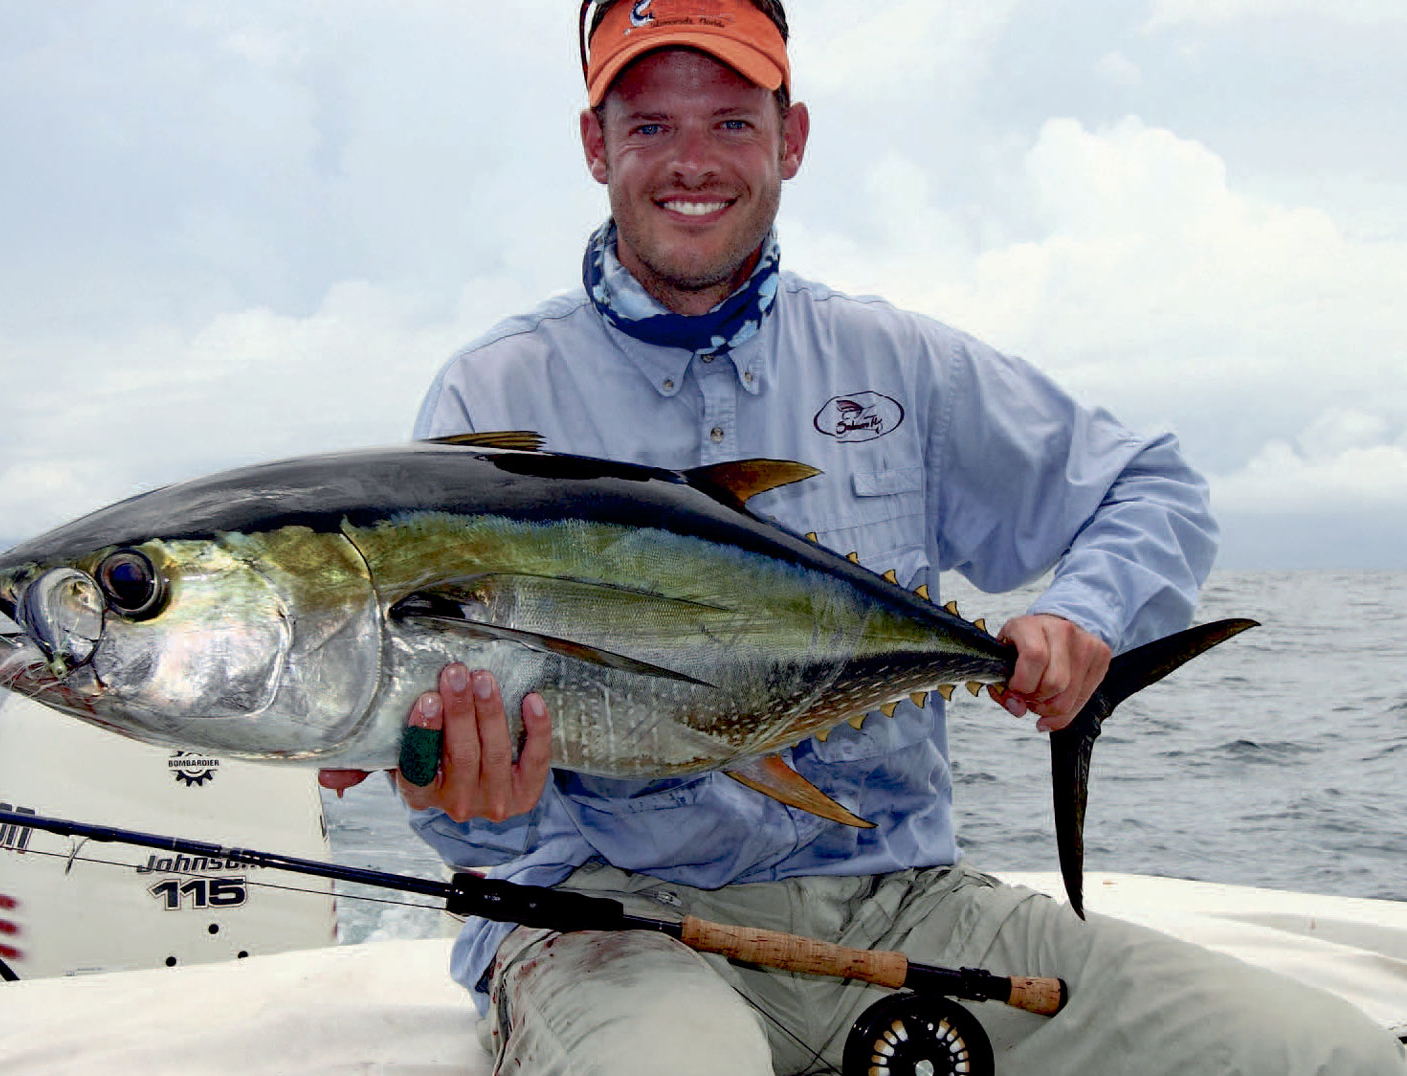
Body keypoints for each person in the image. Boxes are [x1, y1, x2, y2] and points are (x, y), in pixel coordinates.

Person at [321, 2, 1406, 1072]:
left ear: (793, 137)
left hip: (905, 901)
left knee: (1332, 1053)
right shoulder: (495, 390)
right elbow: (452, 774)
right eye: (650, 124)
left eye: (733, 122)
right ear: (594, 144)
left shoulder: (897, 364)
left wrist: (1085, 616)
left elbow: (1151, 486)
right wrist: (450, 785)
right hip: (602, 918)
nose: (691, 162)